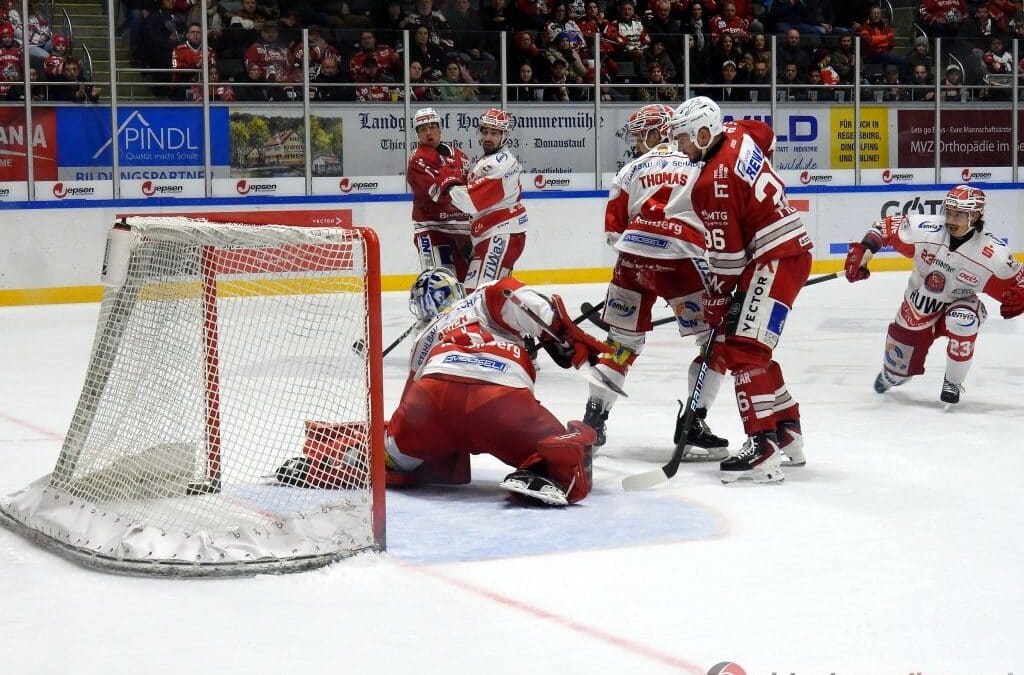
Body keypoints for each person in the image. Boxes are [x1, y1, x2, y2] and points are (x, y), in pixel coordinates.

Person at [669, 96, 813, 484]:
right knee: (756, 348)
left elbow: (728, 258)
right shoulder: (737, 131)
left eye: (683, 139)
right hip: (790, 250)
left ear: (703, 132)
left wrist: (716, 301)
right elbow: (765, 135)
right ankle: (787, 431)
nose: (679, 148)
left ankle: (761, 446)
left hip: (772, 258)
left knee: (742, 350)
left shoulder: (709, 185)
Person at [384, 269, 610, 506]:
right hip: (501, 401)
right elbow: (512, 295)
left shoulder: (422, 339)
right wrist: (560, 333)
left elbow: (407, 403)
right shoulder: (479, 296)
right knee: (559, 451)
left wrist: (398, 441)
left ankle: (372, 456)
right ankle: (541, 469)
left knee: (397, 455)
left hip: (431, 400)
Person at [581, 103, 729, 461]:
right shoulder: (699, 163)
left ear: (656, 133)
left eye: (640, 136)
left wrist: (645, 251)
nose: (636, 144)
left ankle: (593, 422)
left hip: (631, 260)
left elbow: (612, 233)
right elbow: (716, 220)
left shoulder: (630, 169)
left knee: (621, 345)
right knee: (715, 343)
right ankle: (692, 424)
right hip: (682, 261)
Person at [844, 185, 1024, 405]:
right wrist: (864, 251)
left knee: (963, 320)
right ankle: (892, 375)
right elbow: (883, 227)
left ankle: (953, 382)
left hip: (960, 303)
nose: (951, 219)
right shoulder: (926, 229)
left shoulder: (993, 253)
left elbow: (1019, 282)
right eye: (949, 212)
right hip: (917, 308)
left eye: (958, 214)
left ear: (975, 215)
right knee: (896, 374)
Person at [447, 108, 527, 293]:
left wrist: (447, 185)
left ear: (504, 135)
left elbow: (470, 202)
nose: (488, 137)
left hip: (500, 233)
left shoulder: (500, 163)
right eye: (485, 132)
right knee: (493, 294)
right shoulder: (489, 159)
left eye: (494, 133)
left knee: (477, 294)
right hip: (494, 233)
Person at [406, 107, 472, 281]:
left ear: (440, 128)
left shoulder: (461, 156)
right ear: (417, 134)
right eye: (422, 129)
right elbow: (438, 193)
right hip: (432, 227)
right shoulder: (417, 159)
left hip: (462, 228)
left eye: (432, 126)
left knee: (468, 282)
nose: (428, 132)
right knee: (442, 283)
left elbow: (470, 189)